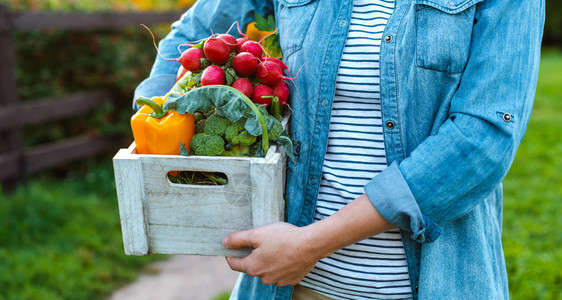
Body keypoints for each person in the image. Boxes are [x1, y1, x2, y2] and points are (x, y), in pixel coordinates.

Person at [134, 0, 545, 299]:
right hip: (290, 287)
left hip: (435, 285)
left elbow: (482, 141)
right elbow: (195, 34)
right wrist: (155, 127)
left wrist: (312, 245)